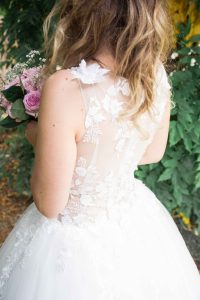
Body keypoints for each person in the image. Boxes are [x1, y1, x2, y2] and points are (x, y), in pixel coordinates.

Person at [0, 0, 200, 299]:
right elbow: (151, 153)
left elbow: (50, 204)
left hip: (70, 245)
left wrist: (38, 134)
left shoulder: (67, 87)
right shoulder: (153, 72)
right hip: (133, 226)